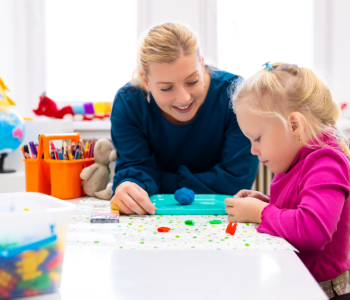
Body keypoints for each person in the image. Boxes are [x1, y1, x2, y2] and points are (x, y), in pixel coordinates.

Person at [225, 62, 350, 298]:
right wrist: (267, 202)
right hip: (297, 279)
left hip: (322, 291)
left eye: (257, 138)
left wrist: (261, 212)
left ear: (293, 125)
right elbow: (302, 205)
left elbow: (313, 230)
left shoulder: (326, 161)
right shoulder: (299, 157)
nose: (253, 150)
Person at [110, 23, 259, 215]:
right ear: (145, 81)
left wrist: (156, 181)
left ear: (202, 64)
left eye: (192, 81)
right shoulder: (129, 104)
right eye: (166, 88)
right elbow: (134, 172)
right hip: (154, 218)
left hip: (223, 216)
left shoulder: (236, 96)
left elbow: (236, 182)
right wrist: (128, 187)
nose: (184, 98)